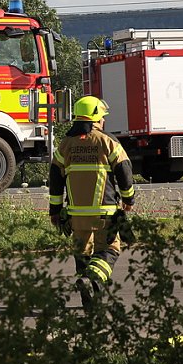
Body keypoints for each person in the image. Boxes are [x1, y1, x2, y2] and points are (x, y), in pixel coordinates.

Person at [48, 95, 136, 312]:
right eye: (102, 117)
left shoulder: (66, 144)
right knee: (109, 251)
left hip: (76, 217)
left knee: (83, 256)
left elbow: (55, 179)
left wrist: (55, 211)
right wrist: (128, 199)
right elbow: (124, 171)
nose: (104, 121)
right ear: (96, 117)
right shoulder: (108, 142)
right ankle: (93, 279)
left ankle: (91, 304)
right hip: (104, 215)